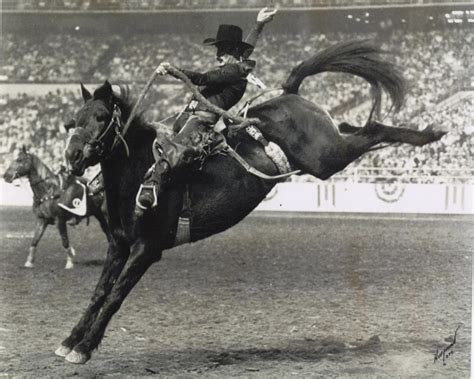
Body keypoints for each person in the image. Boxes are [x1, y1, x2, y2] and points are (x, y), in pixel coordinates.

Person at [137, 7, 277, 210]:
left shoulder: (234, 71)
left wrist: (173, 70)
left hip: (200, 120)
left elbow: (205, 78)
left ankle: (151, 189)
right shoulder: (235, 65)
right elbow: (247, 49)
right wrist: (259, 24)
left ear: (232, 53)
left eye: (222, 49)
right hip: (186, 115)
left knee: (176, 150)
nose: (217, 55)